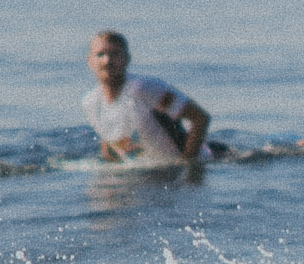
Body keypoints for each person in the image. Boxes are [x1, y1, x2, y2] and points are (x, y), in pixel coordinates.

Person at [84, 31, 213, 164]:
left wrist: (188, 166)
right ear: (90, 61)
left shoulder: (144, 88)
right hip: (150, 169)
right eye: (100, 54)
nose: (107, 61)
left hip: (198, 161)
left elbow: (200, 118)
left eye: (115, 54)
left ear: (127, 59)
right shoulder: (91, 103)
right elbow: (109, 144)